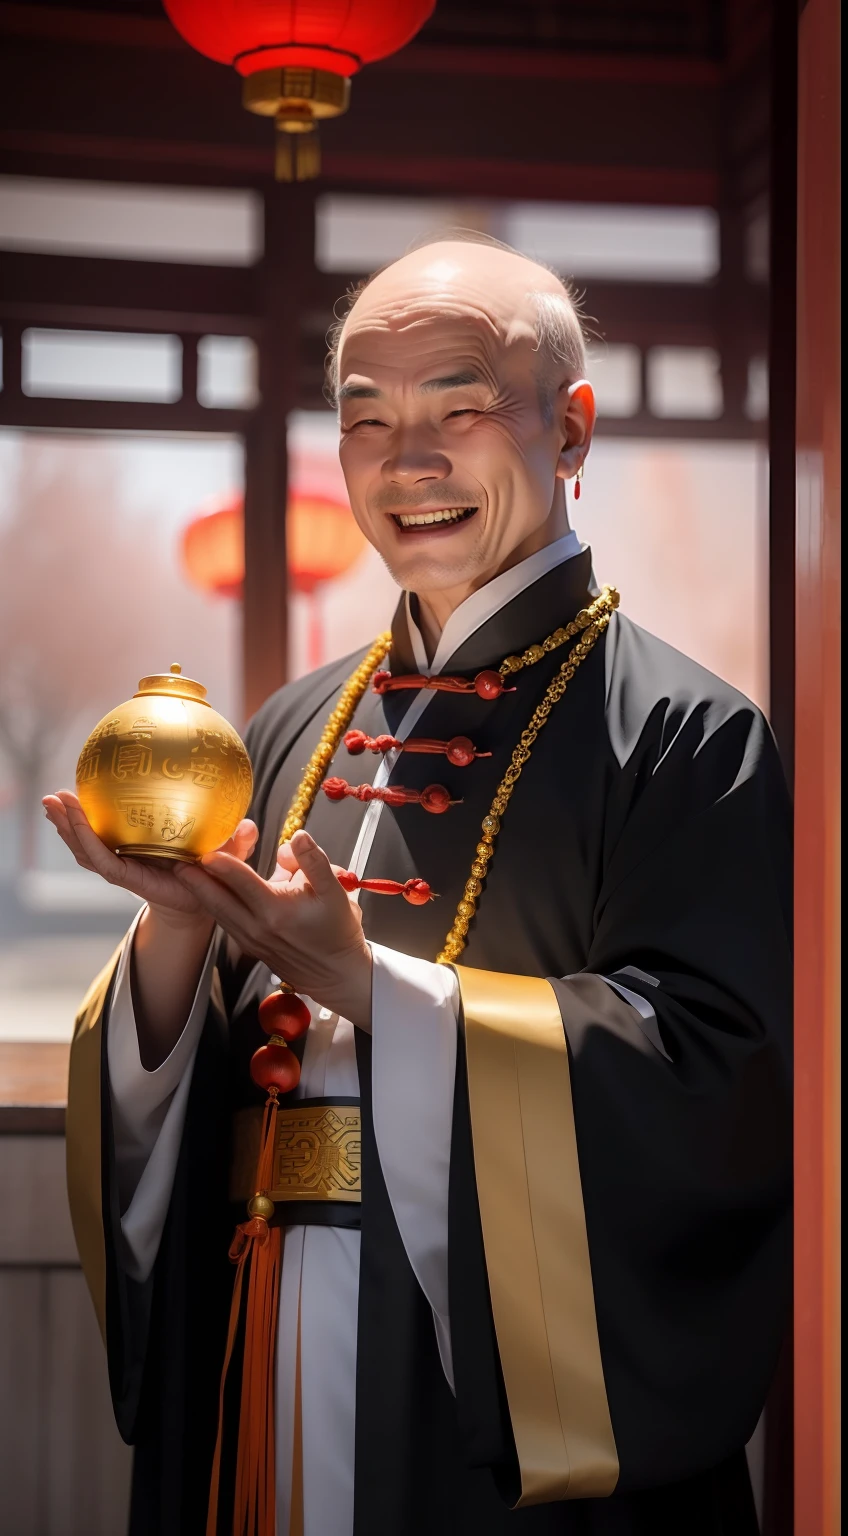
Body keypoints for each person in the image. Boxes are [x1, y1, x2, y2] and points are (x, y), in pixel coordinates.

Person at [47, 235, 792, 1536]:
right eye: (368, 419)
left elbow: (705, 1090)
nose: (408, 462)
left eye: (459, 407)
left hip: (476, 1402)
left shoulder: (685, 737)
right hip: (257, 1334)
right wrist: (171, 932)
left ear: (570, 432)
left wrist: (366, 986)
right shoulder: (288, 725)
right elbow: (193, 1075)